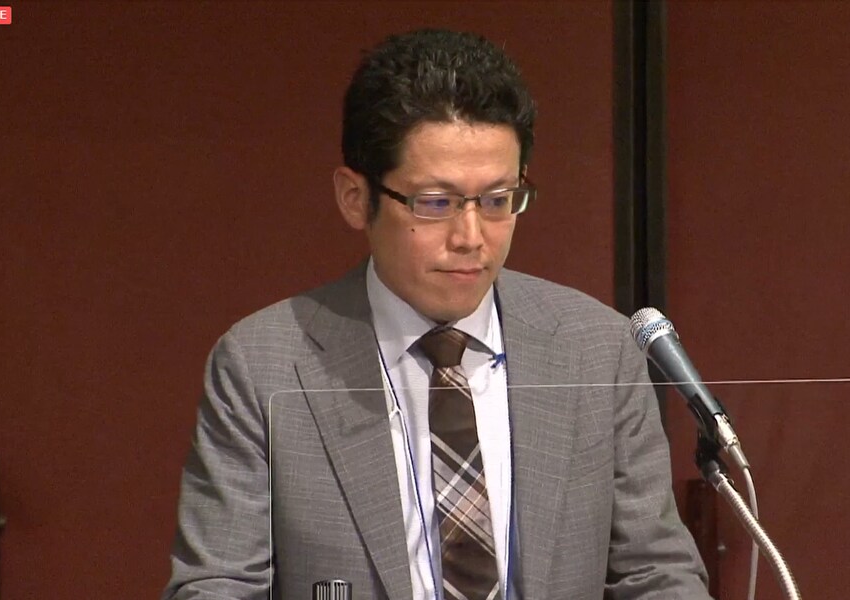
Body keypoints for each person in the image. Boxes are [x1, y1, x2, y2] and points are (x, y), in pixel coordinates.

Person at [163, 28, 712, 600]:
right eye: (435, 203)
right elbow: (218, 585)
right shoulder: (263, 365)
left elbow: (656, 574)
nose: (471, 237)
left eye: (497, 200)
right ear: (356, 198)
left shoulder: (597, 349)